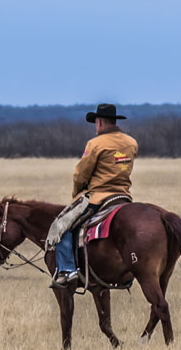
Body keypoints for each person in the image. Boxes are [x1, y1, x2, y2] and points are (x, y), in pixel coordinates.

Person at [47, 104, 137, 288]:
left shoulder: (95, 144)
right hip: (123, 196)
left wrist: (77, 193)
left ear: (100, 122)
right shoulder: (131, 143)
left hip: (99, 197)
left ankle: (67, 270)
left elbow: (81, 174)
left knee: (62, 226)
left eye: (96, 123)